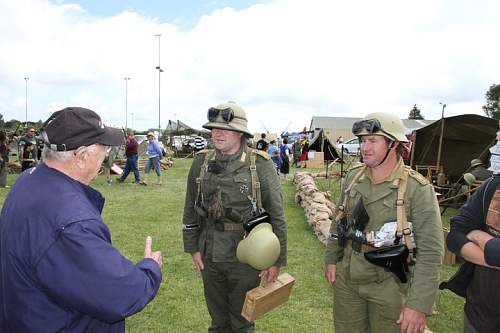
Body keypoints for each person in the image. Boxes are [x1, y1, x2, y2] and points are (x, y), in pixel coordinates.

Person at [0, 107, 163, 333]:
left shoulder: (28, 180)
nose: (106, 155)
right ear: (83, 156)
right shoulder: (71, 221)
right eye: (103, 148)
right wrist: (150, 268)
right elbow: (119, 294)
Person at [324, 112, 444, 333]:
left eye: (372, 140)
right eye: (362, 140)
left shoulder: (417, 189)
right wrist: (332, 259)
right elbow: (338, 221)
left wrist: (418, 305)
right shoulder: (353, 178)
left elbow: (432, 251)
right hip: (349, 280)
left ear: (393, 144)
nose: (364, 147)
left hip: (391, 287)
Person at [182, 101, 287, 333]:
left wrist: (276, 260)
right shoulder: (201, 161)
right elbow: (191, 206)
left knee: (242, 322)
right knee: (218, 322)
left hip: (247, 254)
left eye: (224, 128)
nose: (216, 133)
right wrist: (193, 247)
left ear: (240, 133)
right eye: (213, 128)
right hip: (209, 251)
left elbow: (277, 215)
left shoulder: (259, 164)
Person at [442, 130, 500, 333]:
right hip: (478, 317)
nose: (498, 139)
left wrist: (478, 235)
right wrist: (492, 256)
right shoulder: (492, 186)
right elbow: (456, 234)